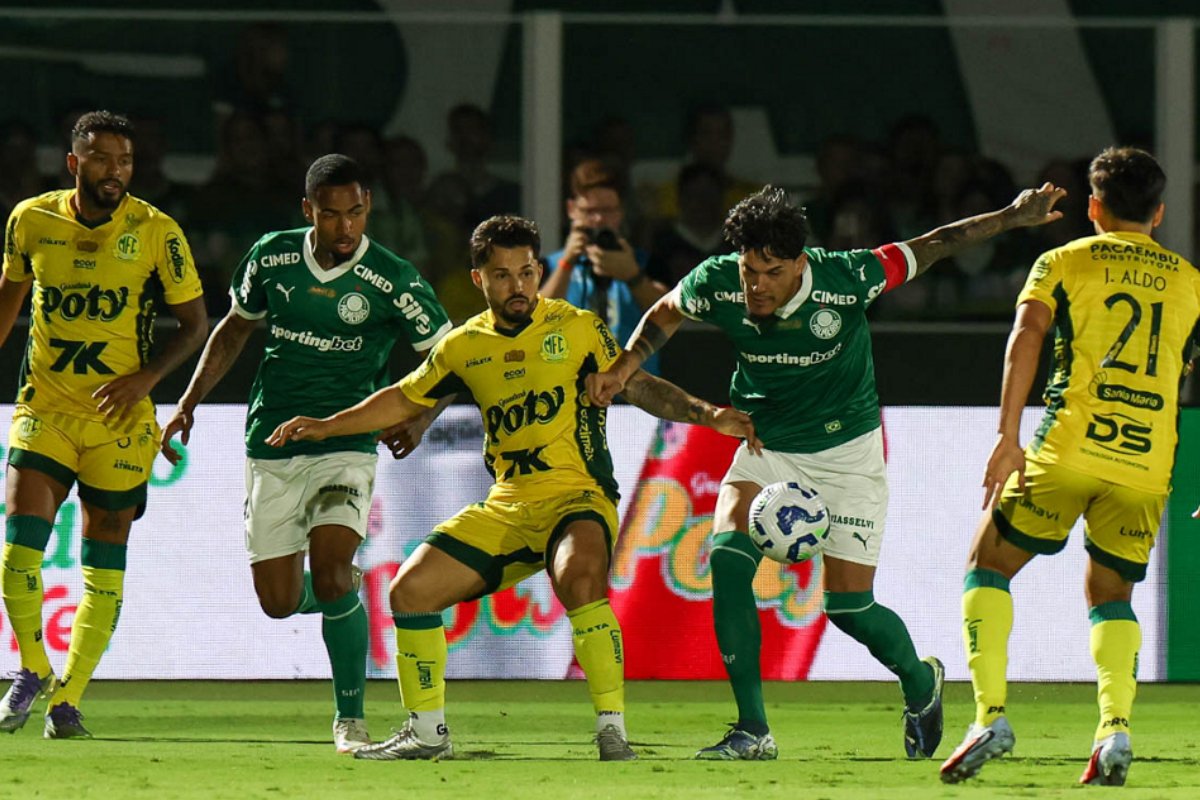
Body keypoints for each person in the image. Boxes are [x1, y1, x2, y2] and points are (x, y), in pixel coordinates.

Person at [587, 182, 1066, 761]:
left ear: (800, 264)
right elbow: (665, 312)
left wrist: (1011, 217)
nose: (755, 286)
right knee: (728, 561)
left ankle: (921, 682)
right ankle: (752, 730)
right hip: (768, 447)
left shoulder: (849, 277)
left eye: (769, 272)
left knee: (848, 608)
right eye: (748, 270)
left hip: (848, 459)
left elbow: (937, 242)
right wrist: (625, 365)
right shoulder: (717, 281)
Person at [265, 214, 759, 761]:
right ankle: (428, 734)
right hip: (507, 506)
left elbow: (638, 385)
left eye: (526, 273)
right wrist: (327, 424)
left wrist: (707, 414)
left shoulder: (576, 328)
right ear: (479, 280)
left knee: (579, 577)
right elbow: (404, 398)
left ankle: (612, 728)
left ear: (539, 270)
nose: (517, 286)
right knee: (408, 592)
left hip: (579, 498)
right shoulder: (462, 346)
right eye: (502, 275)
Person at [159, 154, 452, 754]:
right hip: (271, 441)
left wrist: (420, 419)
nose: (345, 228)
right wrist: (188, 401)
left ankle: (350, 717)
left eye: (356, 214)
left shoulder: (395, 279)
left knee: (333, 563)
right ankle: (339, 590)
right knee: (278, 602)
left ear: (368, 205)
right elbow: (236, 326)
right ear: (308, 211)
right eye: (331, 215)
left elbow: (451, 358)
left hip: (346, 441)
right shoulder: (272, 256)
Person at [938, 148, 1198, 787]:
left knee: (987, 564)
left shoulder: (1061, 261)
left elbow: (1027, 336)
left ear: (1093, 207)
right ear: (1159, 213)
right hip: (1146, 463)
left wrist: (1007, 436)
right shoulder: (1191, 281)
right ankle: (1114, 731)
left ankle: (990, 716)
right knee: (1112, 596)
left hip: (1069, 447)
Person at [0, 110, 208, 737]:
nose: (113, 170)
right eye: (100, 157)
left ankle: (69, 701)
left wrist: (148, 380)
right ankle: (33, 671)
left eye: (124, 160)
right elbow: (7, 302)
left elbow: (196, 324)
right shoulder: (31, 219)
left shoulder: (156, 231)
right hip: (47, 409)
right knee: (17, 554)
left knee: (104, 563)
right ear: (74, 163)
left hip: (120, 422)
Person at [542, 159, 668, 374]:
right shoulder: (551, 265)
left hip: (633, 397)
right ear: (571, 209)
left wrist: (633, 276)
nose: (599, 219)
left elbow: (669, 314)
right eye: (590, 211)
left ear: (621, 212)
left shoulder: (646, 263)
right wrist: (567, 262)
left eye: (609, 211)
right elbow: (534, 319)